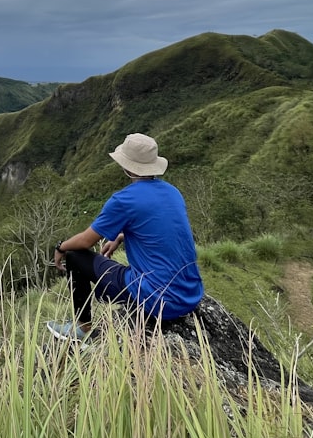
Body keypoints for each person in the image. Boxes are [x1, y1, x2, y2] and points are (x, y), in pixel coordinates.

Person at [47, 133, 204, 343]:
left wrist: (60, 247)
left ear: (127, 166)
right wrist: (121, 236)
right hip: (189, 295)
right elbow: (157, 228)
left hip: (155, 298)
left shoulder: (124, 200)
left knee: (75, 255)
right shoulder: (173, 192)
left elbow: (85, 241)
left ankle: (83, 330)